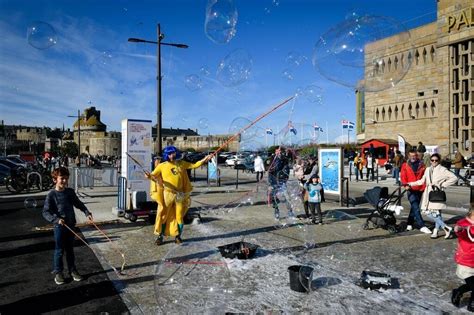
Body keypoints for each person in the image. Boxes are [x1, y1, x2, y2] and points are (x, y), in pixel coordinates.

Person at [145, 146, 210, 245]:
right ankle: (160, 236)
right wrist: (148, 176)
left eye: (174, 153)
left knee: (179, 216)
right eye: (170, 154)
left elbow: (194, 165)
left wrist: (205, 159)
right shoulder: (162, 166)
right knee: (163, 216)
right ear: (167, 155)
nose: (172, 155)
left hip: (180, 194)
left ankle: (178, 236)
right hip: (168, 194)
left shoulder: (181, 164)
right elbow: (153, 176)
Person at [42, 167, 93, 285]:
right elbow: (45, 212)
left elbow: (78, 203)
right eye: (62, 178)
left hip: (71, 225)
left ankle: (72, 270)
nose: (64, 181)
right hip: (59, 227)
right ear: (55, 179)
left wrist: (86, 212)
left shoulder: (70, 192)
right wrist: (56, 219)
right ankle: (58, 272)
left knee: (70, 250)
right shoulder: (51, 195)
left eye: (66, 178)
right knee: (59, 250)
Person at [407, 153, 458, 239]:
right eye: (432, 160)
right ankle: (443, 229)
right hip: (428, 193)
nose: (434, 162)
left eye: (436, 160)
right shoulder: (427, 169)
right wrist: (410, 184)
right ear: (430, 161)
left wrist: (442, 184)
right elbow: (422, 181)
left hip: (437, 193)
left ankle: (440, 229)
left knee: (435, 213)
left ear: (439, 161)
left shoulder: (443, 169)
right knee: (432, 213)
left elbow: (454, 178)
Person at [400, 149, 431, 234]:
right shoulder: (405, 165)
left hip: (420, 188)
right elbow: (403, 176)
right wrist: (405, 185)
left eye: (414, 155)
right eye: (411, 156)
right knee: (416, 207)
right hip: (410, 189)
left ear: (416, 156)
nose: (413, 157)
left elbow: (425, 176)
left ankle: (409, 223)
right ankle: (422, 226)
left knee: (415, 207)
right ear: (408, 156)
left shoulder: (422, 164)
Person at [451, 207, 474, 311]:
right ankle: (472, 305)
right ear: (470, 214)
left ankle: (458, 292)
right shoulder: (464, 225)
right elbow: (461, 231)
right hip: (466, 263)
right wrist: (459, 229)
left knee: (471, 285)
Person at [268, 146, 293, 220]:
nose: (278, 152)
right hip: (273, 181)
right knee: (274, 197)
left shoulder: (284, 159)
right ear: (275, 152)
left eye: (279, 151)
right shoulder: (272, 159)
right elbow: (270, 170)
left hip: (282, 181)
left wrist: (285, 178)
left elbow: (286, 169)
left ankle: (290, 211)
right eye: (277, 151)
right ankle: (276, 212)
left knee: (287, 197)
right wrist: (270, 182)